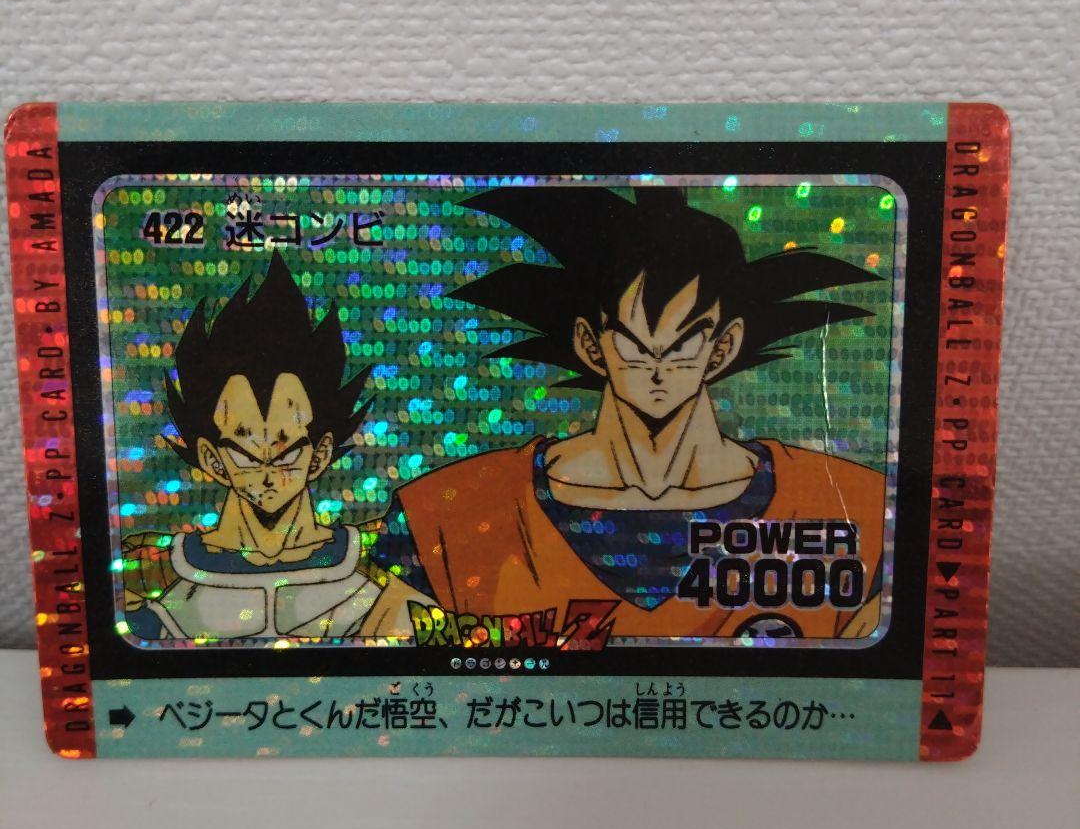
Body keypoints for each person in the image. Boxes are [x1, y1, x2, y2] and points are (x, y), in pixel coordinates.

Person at [369, 186, 886, 642]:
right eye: (635, 345)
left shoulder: (853, 509)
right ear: (591, 345)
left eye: (683, 343)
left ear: (723, 347)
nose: (658, 369)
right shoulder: (450, 514)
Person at [122, 253, 427, 641]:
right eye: (245, 455)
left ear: (319, 455)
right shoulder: (152, 572)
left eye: (286, 454)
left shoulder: (381, 567)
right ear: (212, 459)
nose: (267, 473)